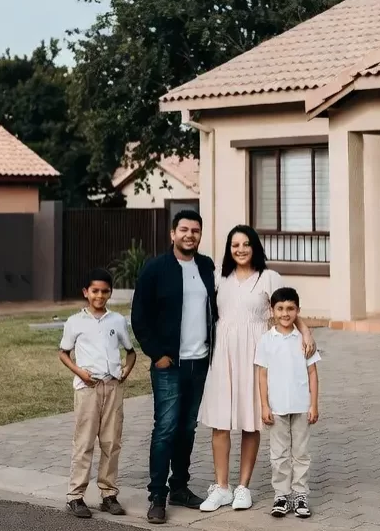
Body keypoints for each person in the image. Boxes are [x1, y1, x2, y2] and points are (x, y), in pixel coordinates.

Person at [197, 225, 317, 513]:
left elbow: (286, 306)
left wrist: (307, 332)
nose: (240, 249)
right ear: (229, 248)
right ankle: (222, 486)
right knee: (220, 420)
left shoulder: (269, 277)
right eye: (235, 244)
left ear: (255, 247)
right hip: (224, 353)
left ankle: (243, 487)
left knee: (252, 419)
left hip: (255, 353)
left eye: (246, 244)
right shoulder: (218, 276)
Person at [131, 209, 218, 525]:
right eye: (184, 229)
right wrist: (156, 354)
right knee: (166, 428)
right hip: (169, 364)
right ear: (172, 233)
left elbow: (217, 310)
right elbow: (139, 316)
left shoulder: (206, 267)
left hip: (199, 363)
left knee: (187, 428)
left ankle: (179, 486)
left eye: (195, 230)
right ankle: (157, 495)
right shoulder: (155, 270)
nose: (190, 235)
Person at [58, 268, 137, 519]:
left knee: (111, 442)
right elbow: (63, 353)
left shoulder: (117, 321)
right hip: (88, 389)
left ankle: (108, 494)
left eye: (104, 291)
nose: (99, 296)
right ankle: (75, 496)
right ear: (86, 292)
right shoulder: (75, 322)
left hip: (112, 387)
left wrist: (125, 370)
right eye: (95, 291)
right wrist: (80, 372)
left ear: (110, 293)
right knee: (84, 442)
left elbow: (130, 351)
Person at [255, 287, 321, 519]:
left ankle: (300, 494)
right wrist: (264, 405)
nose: (285, 313)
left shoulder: (303, 340)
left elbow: (312, 373)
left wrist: (313, 404)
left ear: (298, 310)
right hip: (277, 407)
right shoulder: (266, 340)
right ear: (272, 311)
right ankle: (281, 495)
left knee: (301, 453)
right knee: (279, 454)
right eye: (280, 308)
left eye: (290, 308)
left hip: (301, 406)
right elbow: (262, 375)